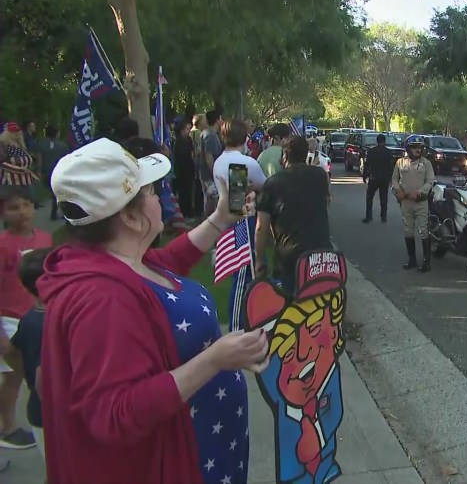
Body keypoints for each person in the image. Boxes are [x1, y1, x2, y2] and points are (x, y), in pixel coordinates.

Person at [38, 137, 268, 484]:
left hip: (204, 450)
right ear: (130, 217)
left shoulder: (121, 264)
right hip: (173, 463)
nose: (160, 198)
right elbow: (115, 414)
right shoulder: (101, 299)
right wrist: (215, 359)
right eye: (149, 192)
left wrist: (222, 217)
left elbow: (169, 262)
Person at [0, 188, 51, 450]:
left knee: (35, 370)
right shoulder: (3, 245)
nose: (21, 212)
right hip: (9, 318)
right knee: (13, 374)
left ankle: (43, 420)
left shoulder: (44, 239)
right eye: (13, 207)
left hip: (38, 316)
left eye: (26, 205)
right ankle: (8, 426)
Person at [255, 135, 331, 292]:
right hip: (321, 253)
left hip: (290, 257)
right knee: (319, 305)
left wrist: (259, 259)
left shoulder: (273, 184)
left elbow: (261, 227)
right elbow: (327, 203)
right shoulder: (320, 176)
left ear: (285, 156)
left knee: (292, 307)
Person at [212, 119, 267, 331]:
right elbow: (264, 183)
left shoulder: (218, 162)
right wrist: (252, 186)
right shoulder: (247, 163)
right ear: (244, 138)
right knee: (243, 273)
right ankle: (237, 326)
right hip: (243, 219)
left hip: (225, 218)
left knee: (244, 273)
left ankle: (250, 319)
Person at [10, 247, 51, 463]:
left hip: (38, 412)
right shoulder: (48, 322)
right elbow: (43, 379)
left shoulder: (29, 319)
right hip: (50, 417)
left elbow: (12, 350)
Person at [391, 135, 434, 272]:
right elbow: (394, 180)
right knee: (408, 230)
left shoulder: (426, 163)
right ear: (408, 148)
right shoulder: (400, 163)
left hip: (420, 202)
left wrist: (421, 191)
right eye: (415, 147)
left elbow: (430, 181)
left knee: (423, 230)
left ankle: (426, 262)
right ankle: (412, 259)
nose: (418, 150)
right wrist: (398, 191)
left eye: (420, 147)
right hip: (405, 202)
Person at [35, 126, 70, 220]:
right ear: (57, 134)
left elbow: (39, 159)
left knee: (53, 192)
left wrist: (39, 171)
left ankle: (54, 212)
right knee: (59, 193)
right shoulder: (63, 145)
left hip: (47, 172)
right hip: (59, 172)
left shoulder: (42, 144)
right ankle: (58, 212)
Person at [362, 133, 394, 224]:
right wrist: (391, 178)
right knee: (383, 198)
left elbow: (367, 165)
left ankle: (369, 216)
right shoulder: (388, 152)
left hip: (374, 177)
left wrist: (365, 176)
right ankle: (383, 216)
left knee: (369, 197)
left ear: (377, 141)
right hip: (384, 178)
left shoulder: (371, 151)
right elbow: (390, 166)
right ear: (384, 141)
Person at [199, 110, 225, 217]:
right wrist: (215, 174)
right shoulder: (211, 135)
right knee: (211, 201)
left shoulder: (206, 133)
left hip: (205, 173)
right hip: (209, 175)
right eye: (221, 118)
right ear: (217, 120)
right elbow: (209, 157)